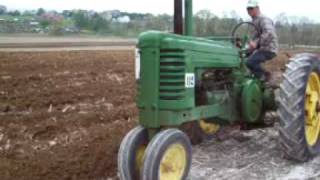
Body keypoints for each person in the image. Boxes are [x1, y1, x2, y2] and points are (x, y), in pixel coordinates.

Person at [246, 0, 279, 81]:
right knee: (240, 59)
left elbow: (269, 33)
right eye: (248, 9)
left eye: (251, 8)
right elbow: (254, 38)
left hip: (268, 49)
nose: (249, 10)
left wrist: (256, 43)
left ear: (257, 8)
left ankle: (266, 78)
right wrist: (247, 45)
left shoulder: (264, 19)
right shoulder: (254, 21)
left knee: (250, 62)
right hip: (260, 48)